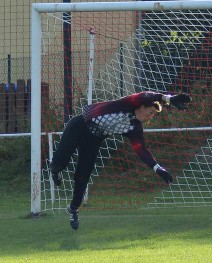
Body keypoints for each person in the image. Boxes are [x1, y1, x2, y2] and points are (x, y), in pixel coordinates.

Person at [49, 91, 191, 230]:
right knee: (59, 163)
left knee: (83, 176)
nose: (151, 116)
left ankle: (73, 209)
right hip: (79, 126)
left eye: (154, 114)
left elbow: (142, 150)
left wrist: (158, 169)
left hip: (93, 141)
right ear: (142, 106)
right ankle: (55, 171)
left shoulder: (135, 128)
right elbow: (146, 95)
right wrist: (170, 99)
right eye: (151, 112)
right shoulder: (129, 103)